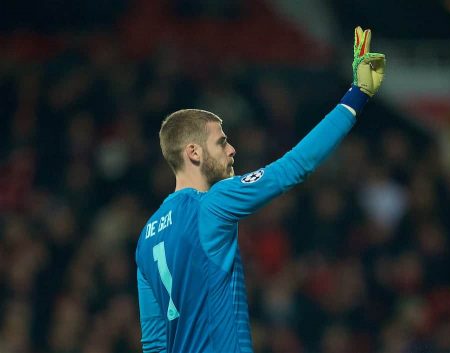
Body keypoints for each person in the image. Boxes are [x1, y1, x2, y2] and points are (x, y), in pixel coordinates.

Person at [135, 26, 385, 353]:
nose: (232, 149)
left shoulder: (146, 238)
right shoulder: (210, 205)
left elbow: (154, 344)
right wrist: (357, 95)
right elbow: (294, 167)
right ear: (194, 153)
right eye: (221, 142)